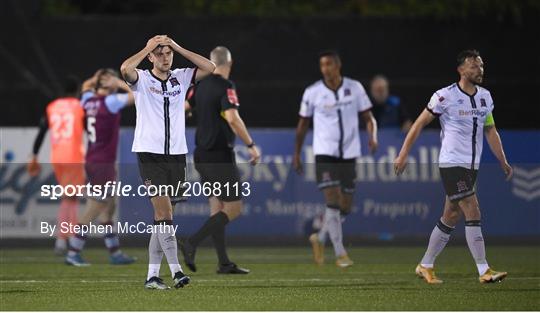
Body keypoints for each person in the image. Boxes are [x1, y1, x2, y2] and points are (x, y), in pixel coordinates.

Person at [394, 49, 512, 284]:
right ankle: (484, 270)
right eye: (474, 65)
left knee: (451, 215)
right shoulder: (444, 96)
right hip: (452, 163)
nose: (479, 69)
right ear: (461, 70)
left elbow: (491, 130)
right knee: (472, 208)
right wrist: (404, 152)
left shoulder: (485, 97)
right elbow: (418, 123)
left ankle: (425, 265)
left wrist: (502, 160)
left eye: (481, 65)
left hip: (471, 166)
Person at [120, 35, 215, 290]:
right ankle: (176, 271)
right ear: (151, 56)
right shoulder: (142, 79)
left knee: (161, 218)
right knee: (165, 213)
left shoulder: (180, 77)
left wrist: (179, 47)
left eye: (167, 53)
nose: (165, 57)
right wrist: (147, 47)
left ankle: (152, 276)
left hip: (176, 155)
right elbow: (126, 69)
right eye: (159, 53)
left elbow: (210, 67)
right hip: (149, 154)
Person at [294, 50, 378, 267]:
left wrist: (373, 136)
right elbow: (302, 125)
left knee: (345, 206)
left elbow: (369, 118)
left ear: (338, 65)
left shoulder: (355, 87)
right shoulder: (313, 92)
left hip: (349, 153)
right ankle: (340, 253)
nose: (325, 69)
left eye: (329, 64)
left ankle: (320, 237)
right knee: (332, 200)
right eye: (322, 65)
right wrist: (297, 153)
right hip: (324, 153)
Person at [181, 46, 260, 274]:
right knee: (234, 208)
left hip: (201, 155)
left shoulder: (199, 86)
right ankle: (191, 242)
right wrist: (251, 145)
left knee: (217, 209)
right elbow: (233, 119)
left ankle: (224, 263)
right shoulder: (226, 87)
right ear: (230, 63)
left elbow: (184, 108)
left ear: (211, 63)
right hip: (219, 155)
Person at [64, 68, 136, 266]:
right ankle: (73, 250)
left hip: (93, 159)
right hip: (103, 163)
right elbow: (135, 95)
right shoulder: (111, 102)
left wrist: (96, 79)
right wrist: (119, 83)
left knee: (108, 206)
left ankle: (114, 252)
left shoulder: (87, 100)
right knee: (97, 206)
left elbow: (86, 87)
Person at [27, 76, 85, 255]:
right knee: (71, 199)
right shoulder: (79, 106)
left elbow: (42, 132)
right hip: (73, 156)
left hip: (58, 156)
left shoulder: (52, 107)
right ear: (77, 91)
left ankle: (65, 240)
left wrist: (34, 155)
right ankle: (65, 240)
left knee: (69, 198)